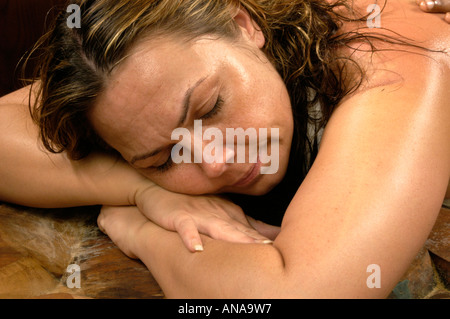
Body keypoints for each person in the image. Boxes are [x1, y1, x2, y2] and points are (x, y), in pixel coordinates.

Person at [0, 0, 448, 298]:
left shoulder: (385, 55)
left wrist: (142, 232)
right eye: (165, 157)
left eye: (210, 107)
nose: (217, 160)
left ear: (243, 25)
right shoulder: (136, 77)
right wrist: (144, 190)